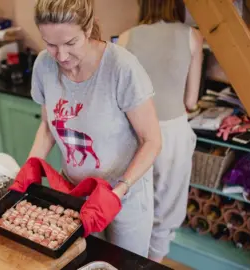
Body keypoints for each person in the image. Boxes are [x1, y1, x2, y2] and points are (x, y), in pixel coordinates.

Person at [27, 0, 162, 257]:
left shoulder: (121, 67)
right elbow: (47, 125)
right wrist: (32, 164)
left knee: (123, 263)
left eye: (70, 43)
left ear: (88, 29)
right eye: (51, 44)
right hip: (74, 193)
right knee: (85, 260)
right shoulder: (44, 65)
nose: (61, 56)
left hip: (124, 194)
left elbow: (152, 140)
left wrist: (118, 191)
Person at [118, 0, 203, 262]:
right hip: (172, 134)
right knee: (166, 212)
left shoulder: (125, 38)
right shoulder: (192, 36)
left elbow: (119, 96)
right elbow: (190, 101)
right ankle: (152, 263)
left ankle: (128, 262)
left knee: (132, 206)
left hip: (133, 134)